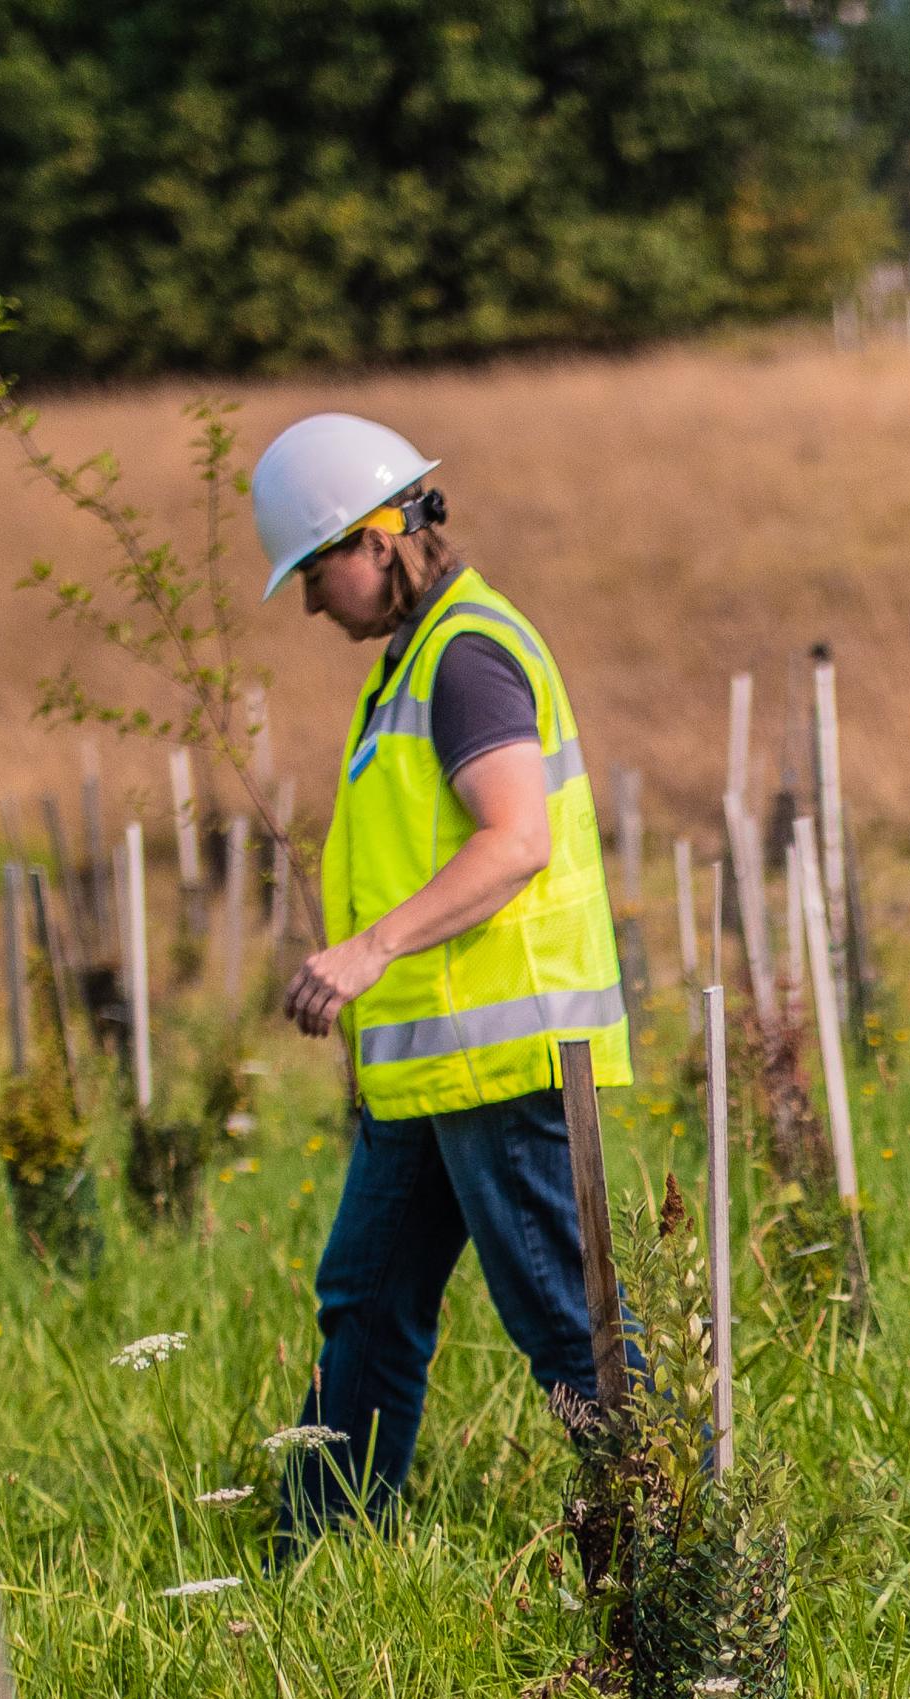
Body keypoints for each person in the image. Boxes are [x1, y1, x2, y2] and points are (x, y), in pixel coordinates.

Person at [249, 411, 632, 1543]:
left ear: (379, 537)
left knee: (569, 1330)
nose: (312, 602)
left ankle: (688, 1562)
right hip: (428, 1075)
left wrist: (368, 951)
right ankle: (316, 1556)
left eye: (316, 569)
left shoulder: (466, 657)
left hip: (502, 1066)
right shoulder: (414, 662)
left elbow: (514, 840)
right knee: (365, 1305)